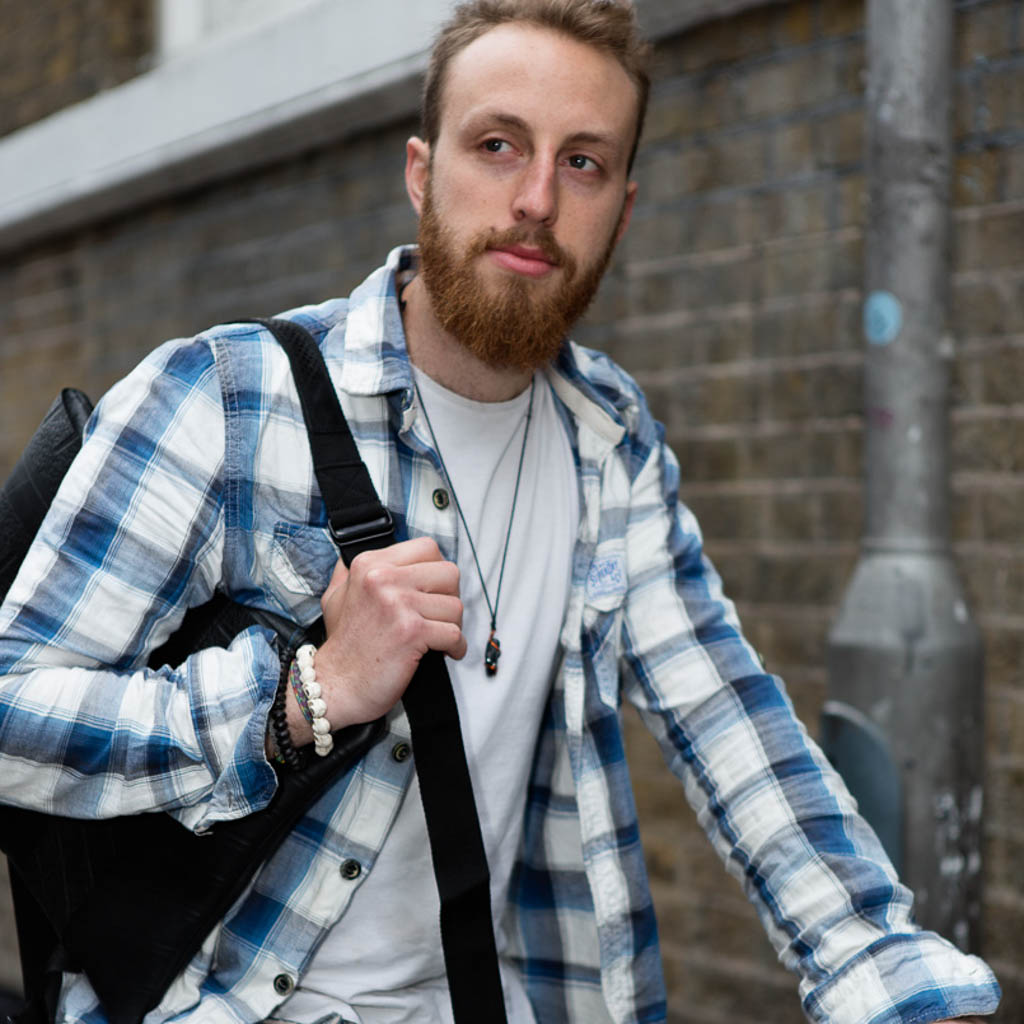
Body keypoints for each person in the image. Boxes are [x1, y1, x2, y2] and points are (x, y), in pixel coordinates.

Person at [0, 1, 1002, 1022]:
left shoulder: (607, 438)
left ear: (622, 201)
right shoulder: (225, 397)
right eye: (497, 145)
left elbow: (726, 714)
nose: (535, 199)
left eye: (583, 164)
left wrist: (876, 962)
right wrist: (302, 692)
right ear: (420, 172)